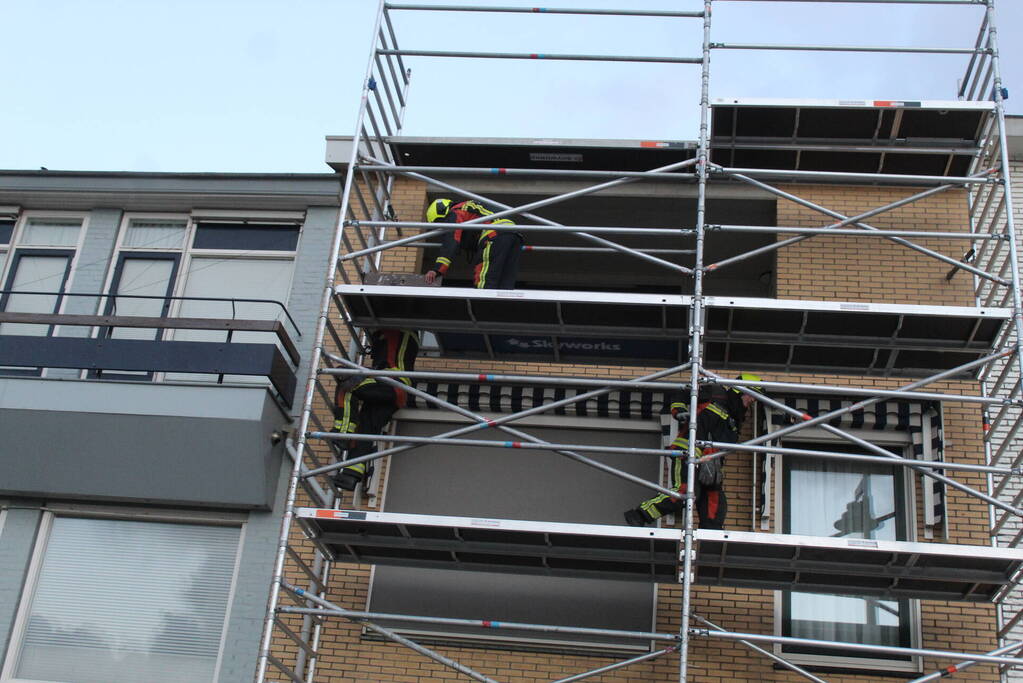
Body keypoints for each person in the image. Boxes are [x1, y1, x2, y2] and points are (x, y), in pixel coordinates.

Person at [623, 373, 765, 530]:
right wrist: (679, 411)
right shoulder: (716, 392)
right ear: (741, 391)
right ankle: (639, 515)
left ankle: (710, 538)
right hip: (688, 452)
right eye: (752, 395)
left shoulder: (735, 418)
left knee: (715, 501)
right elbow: (682, 393)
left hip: (711, 463)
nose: (752, 401)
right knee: (684, 493)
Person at [332, 329, 420, 491]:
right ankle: (351, 474)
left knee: (347, 384)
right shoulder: (407, 339)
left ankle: (343, 431)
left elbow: (385, 361)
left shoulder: (395, 330)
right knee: (366, 428)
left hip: (390, 382)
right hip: (396, 391)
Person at [423, 198, 524, 289]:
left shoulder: (455, 211)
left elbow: (451, 241)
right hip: (515, 235)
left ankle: (483, 305)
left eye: (442, 222)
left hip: (495, 235)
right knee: (505, 280)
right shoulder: (472, 207)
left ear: (442, 213)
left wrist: (437, 269)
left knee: (486, 280)